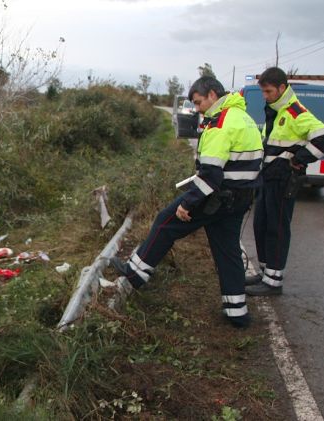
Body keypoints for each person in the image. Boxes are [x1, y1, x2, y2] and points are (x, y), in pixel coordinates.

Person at [110, 76, 263, 328]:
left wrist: (188, 203)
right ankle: (237, 311)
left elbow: (211, 176)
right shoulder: (244, 117)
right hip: (241, 197)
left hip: (219, 196)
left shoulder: (220, 123)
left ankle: (135, 273)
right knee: (228, 251)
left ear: (213, 95)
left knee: (165, 222)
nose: (197, 108)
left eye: (199, 102)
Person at [245, 67, 324, 296]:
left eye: (268, 91)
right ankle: (265, 272)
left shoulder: (294, 111)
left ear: (282, 88)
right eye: (263, 91)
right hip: (269, 178)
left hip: (283, 180)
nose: (265, 96)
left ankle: (273, 281)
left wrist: (296, 161)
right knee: (261, 224)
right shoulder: (275, 110)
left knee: (277, 227)